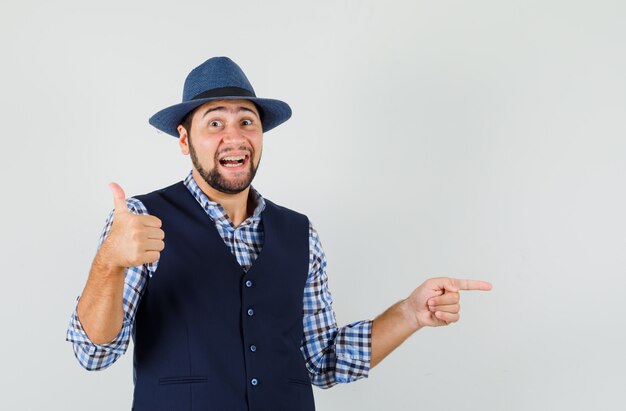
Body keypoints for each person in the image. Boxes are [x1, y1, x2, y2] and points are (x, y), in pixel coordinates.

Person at [66, 56, 492, 411]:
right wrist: (110, 262)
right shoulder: (140, 220)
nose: (234, 137)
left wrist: (410, 313)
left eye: (246, 122)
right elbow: (94, 353)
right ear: (184, 139)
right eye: (214, 123)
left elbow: (322, 361)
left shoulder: (300, 233)